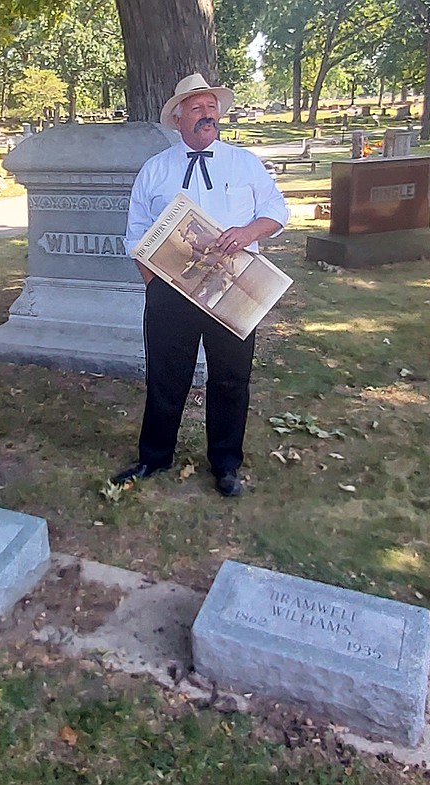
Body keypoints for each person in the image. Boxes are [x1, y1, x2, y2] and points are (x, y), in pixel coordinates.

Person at [114, 74, 289, 497]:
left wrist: (247, 234)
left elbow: (277, 211)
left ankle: (226, 464)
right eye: (196, 108)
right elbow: (135, 230)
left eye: (211, 107)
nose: (207, 114)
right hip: (172, 292)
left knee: (231, 377)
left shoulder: (244, 162)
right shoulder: (155, 170)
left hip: (233, 288)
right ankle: (154, 457)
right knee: (165, 375)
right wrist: (153, 278)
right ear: (178, 120)